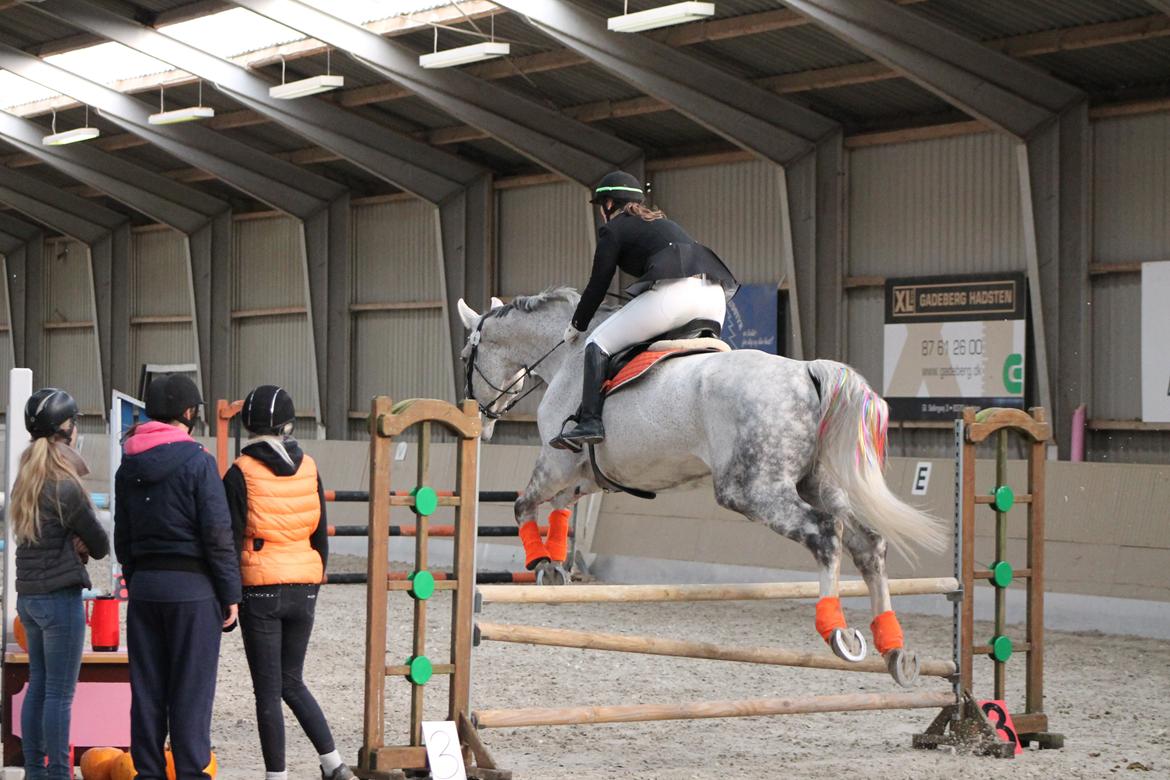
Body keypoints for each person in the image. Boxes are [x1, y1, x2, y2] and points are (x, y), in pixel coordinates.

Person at [222, 385, 354, 780]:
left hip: (260, 588)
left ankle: (276, 776)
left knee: (267, 690)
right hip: (304, 583)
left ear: (248, 425)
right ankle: (333, 763)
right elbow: (321, 534)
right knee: (292, 681)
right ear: (288, 425)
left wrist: (228, 594)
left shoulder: (240, 472)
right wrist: (314, 578)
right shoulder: (310, 466)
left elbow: (229, 538)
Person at [553, 171, 739, 449]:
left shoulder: (613, 229)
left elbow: (598, 283)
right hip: (714, 298)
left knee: (597, 342)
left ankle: (590, 421)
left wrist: (577, 324)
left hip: (676, 295)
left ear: (608, 205)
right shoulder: (663, 223)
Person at [114, 374, 240, 780]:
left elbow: (123, 536)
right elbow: (218, 534)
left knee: (147, 692)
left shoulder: (128, 464)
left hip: (146, 592)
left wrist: (138, 578)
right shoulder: (199, 462)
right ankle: (190, 773)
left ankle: (147, 773)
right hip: (193, 593)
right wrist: (229, 593)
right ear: (188, 413)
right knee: (191, 694)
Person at [11, 388, 109, 780]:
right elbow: (100, 545)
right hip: (58, 599)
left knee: (38, 686)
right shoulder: (66, 487)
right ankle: (58, 774)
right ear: (66, 430)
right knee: (59, 694)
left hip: (29, 599)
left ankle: (36, 771)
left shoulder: (26, 479)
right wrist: (79, 540)